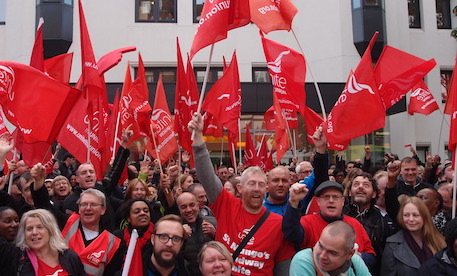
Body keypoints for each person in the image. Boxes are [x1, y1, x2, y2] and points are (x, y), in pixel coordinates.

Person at [189, 113, 295, 276]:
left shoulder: (279, 223)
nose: (256, 189)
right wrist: (198, 139)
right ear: (240, 188)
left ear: (266, 189)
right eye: (251, 184)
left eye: (261, 185)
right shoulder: (226, 204)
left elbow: (283, 269)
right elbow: (207, 177)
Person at [282, 127, 376, 268]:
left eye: (335, 197)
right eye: (326, 197)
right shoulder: (307, 223)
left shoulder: (354, 225)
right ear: (318, 201)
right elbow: (291, 234)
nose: (331, 200)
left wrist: (359, 257)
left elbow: (372, 257)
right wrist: (294, 202)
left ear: (343, 201)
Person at [0, 209, 84, 275]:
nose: (34, 232)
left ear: (50, 230)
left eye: (40, 227)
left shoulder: (70, 257)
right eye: (29, 229)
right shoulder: (16, 257)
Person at [62, 188, 121, 275]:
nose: (88, 208)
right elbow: (44, 204)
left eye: (93, 204)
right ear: (79, 208)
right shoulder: (68, 224)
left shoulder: (112, 243)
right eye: (84, 204)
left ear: (103, 210)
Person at [381, 196, 446, 276]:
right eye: (406, 215)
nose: (411, 219)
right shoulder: (392, 244)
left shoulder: (440, 242)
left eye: (415, 215)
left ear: (424, 217)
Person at [290, 221, 371, 276]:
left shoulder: (354, 262)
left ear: (350, 254)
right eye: (320, 246)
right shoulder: (303, 261)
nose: (322, 256)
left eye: (332, 253)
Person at [106, 199, 155, 275]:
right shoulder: (118, 237)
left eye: (146, 211)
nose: (142, 213)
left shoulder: (157, 236)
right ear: (128, 218)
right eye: (137, 212)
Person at [177, 192, 215, 275]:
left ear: (198, 206)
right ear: (178, 209)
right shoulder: (175, 229)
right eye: (183, 207)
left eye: (192, 205)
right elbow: (174, 259)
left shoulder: (213, 222)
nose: (189, 210)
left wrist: (215, 235)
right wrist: (182, 239)